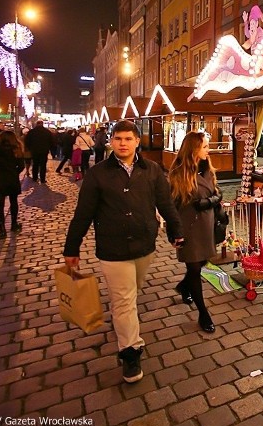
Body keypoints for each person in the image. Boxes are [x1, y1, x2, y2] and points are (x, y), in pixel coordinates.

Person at [63, 120, 184, 384]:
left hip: (144, 245)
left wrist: (176, 230)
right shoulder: (98, 174)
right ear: (111, 141)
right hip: (112, 248)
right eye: (118, 138)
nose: (123, 143)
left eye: (128, 139)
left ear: (137, 141)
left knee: (132, 293)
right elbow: (83, 214)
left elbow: (165, 203)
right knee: (124, 301)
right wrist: (71, 248)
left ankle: (124, 323)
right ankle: (130, 350)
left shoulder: (151, 170)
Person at [167, 131, 223, 335]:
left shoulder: (207, 169)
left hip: (206, 225)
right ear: (194, 150)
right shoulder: (178, 173)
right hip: (188, 227)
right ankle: (203, 313)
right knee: (195, 269)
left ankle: (183, 286)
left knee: (202, 263)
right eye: (205, 147)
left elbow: (217, 192)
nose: (208, 150)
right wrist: (173, 233)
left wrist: (211, 201)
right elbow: (170, 207)